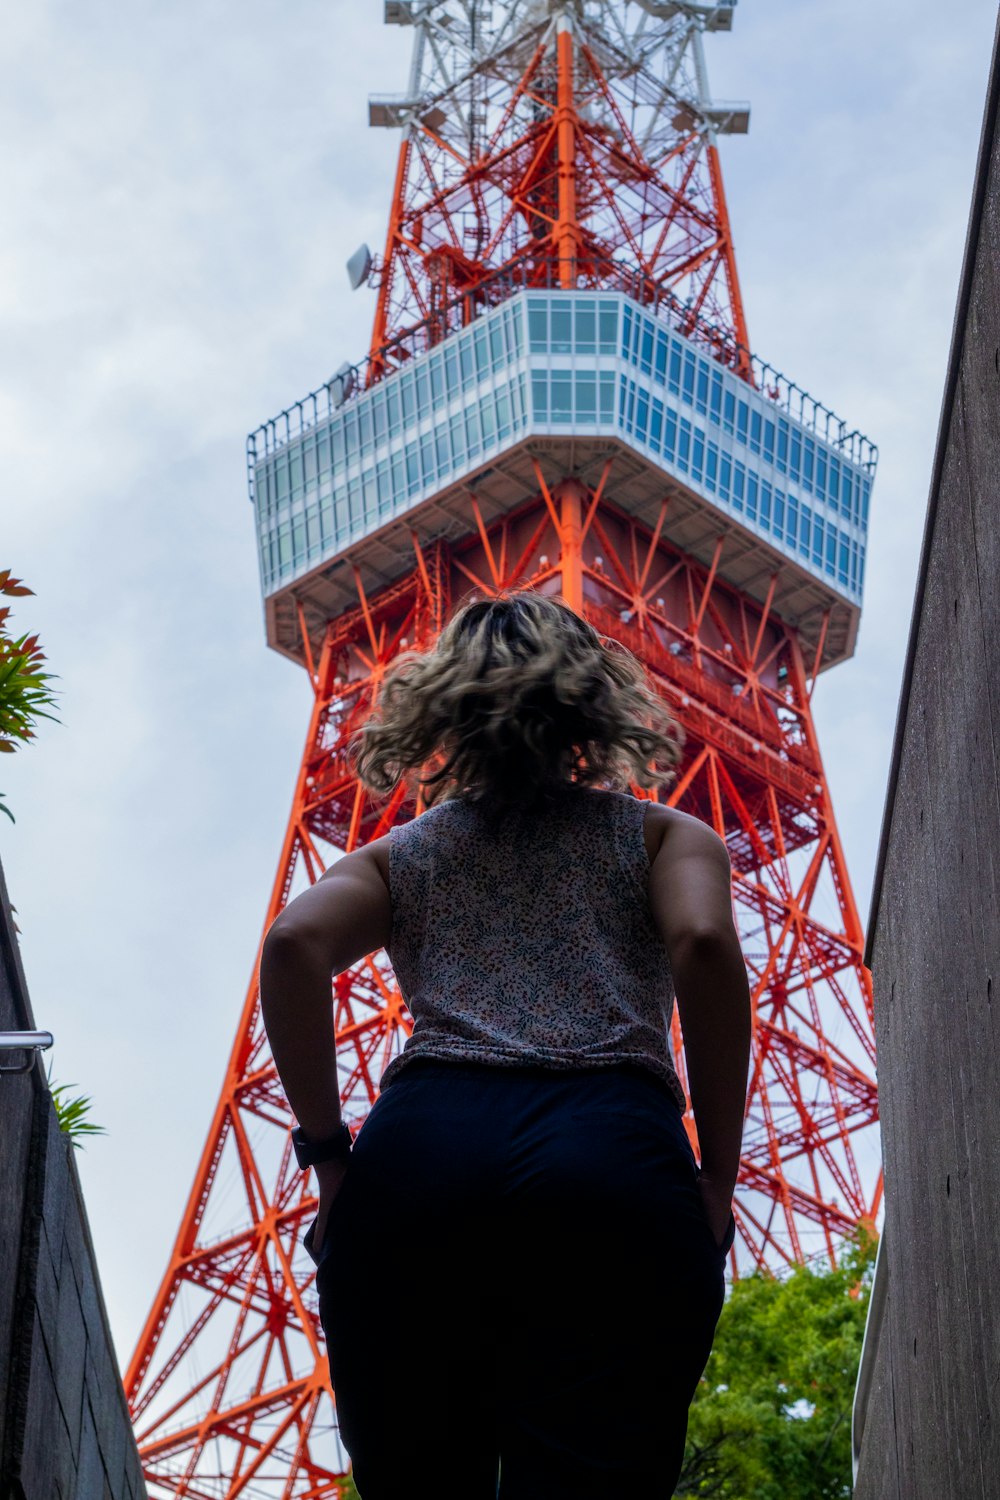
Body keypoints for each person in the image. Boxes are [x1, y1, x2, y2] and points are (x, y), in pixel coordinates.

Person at [259, 586, 752, 1499]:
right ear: (593, 704)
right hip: (609, 1144)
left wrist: (330, 1159)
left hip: (423, 1151)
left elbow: (291, 946)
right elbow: (705, 944)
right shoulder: (663, 836)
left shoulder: (398, 856)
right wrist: (714, 1180)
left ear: (440, 710)